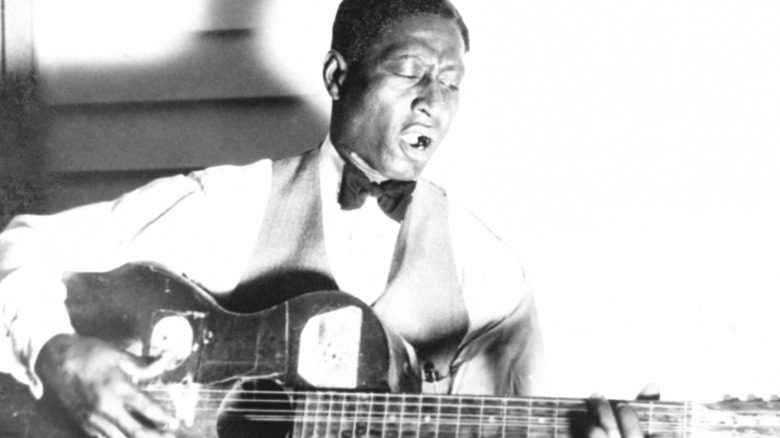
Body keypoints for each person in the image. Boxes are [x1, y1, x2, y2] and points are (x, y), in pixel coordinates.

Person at [0, 0, 640, 437]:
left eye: (450, 82)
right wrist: (59, 353)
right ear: (338, 76)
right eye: (410, 70)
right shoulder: (235, 204)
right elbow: (21, 245)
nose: (431, 101)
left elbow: (513, 419)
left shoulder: (489, 274)